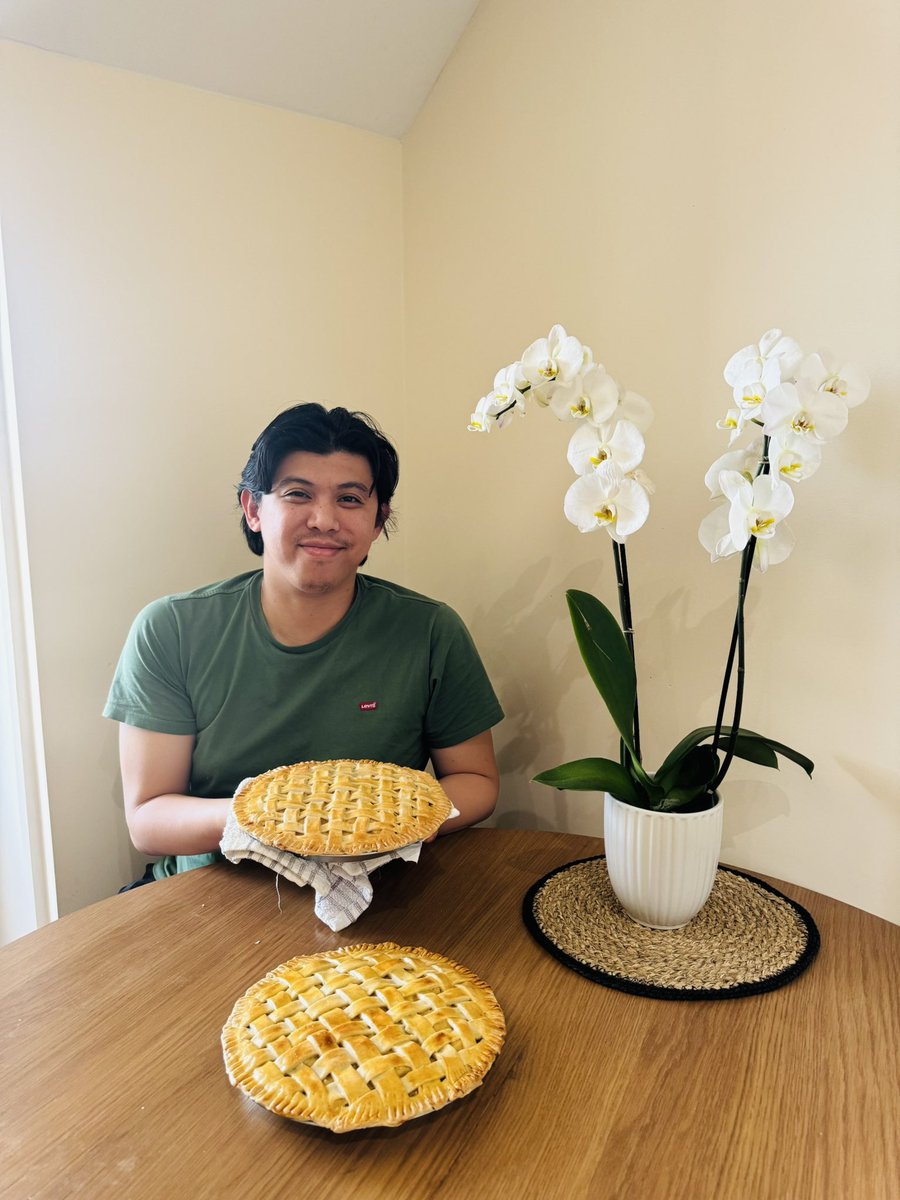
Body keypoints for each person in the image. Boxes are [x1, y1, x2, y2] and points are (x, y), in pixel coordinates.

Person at [104, 403, 503, 886]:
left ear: (379, 521)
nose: (324, 520)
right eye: (297, 494)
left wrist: (385, 825)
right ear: (253, 509)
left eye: (351, 499)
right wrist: (288, 816)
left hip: (377, 887)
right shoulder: (171, 629)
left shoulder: (431, 630)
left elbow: (476, 781)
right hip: (212, 889)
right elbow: (149, 817)